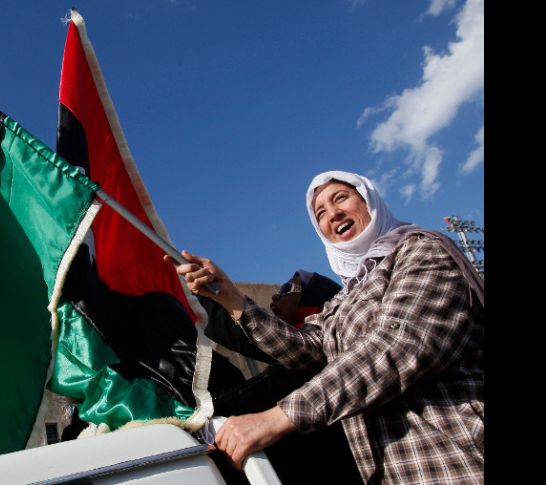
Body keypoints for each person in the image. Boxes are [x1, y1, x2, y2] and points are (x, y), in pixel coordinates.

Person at [166, 170, 484, 484]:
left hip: (456, 463)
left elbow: (395, 346)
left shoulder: (422, 251)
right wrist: (230, 298)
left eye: (341, 198)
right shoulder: (343, 301)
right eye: (320, 212)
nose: (333, 214)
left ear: (370, 201)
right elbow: (307, 352)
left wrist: (276, 418)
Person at [200, 270, 361, 484]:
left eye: (288, 290)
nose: (276, 296)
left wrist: (193, 422)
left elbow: (245, 341)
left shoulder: (312, 362)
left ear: (314, 304)